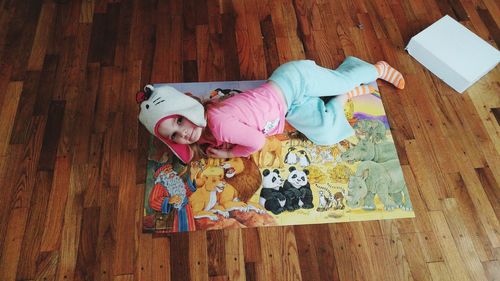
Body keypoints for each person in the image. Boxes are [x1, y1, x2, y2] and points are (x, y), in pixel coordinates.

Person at [137, 56, 405, 163]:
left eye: (179, 122)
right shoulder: (206, 129)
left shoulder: (217, 122)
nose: (182, 135)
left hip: (294, 81)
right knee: (324, 133)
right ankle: (343, 96)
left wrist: (230, 153)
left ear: (188, 108)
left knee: (343, 78)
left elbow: (256, 141)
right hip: (289, 108)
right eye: (174, 135)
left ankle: (375, 69)